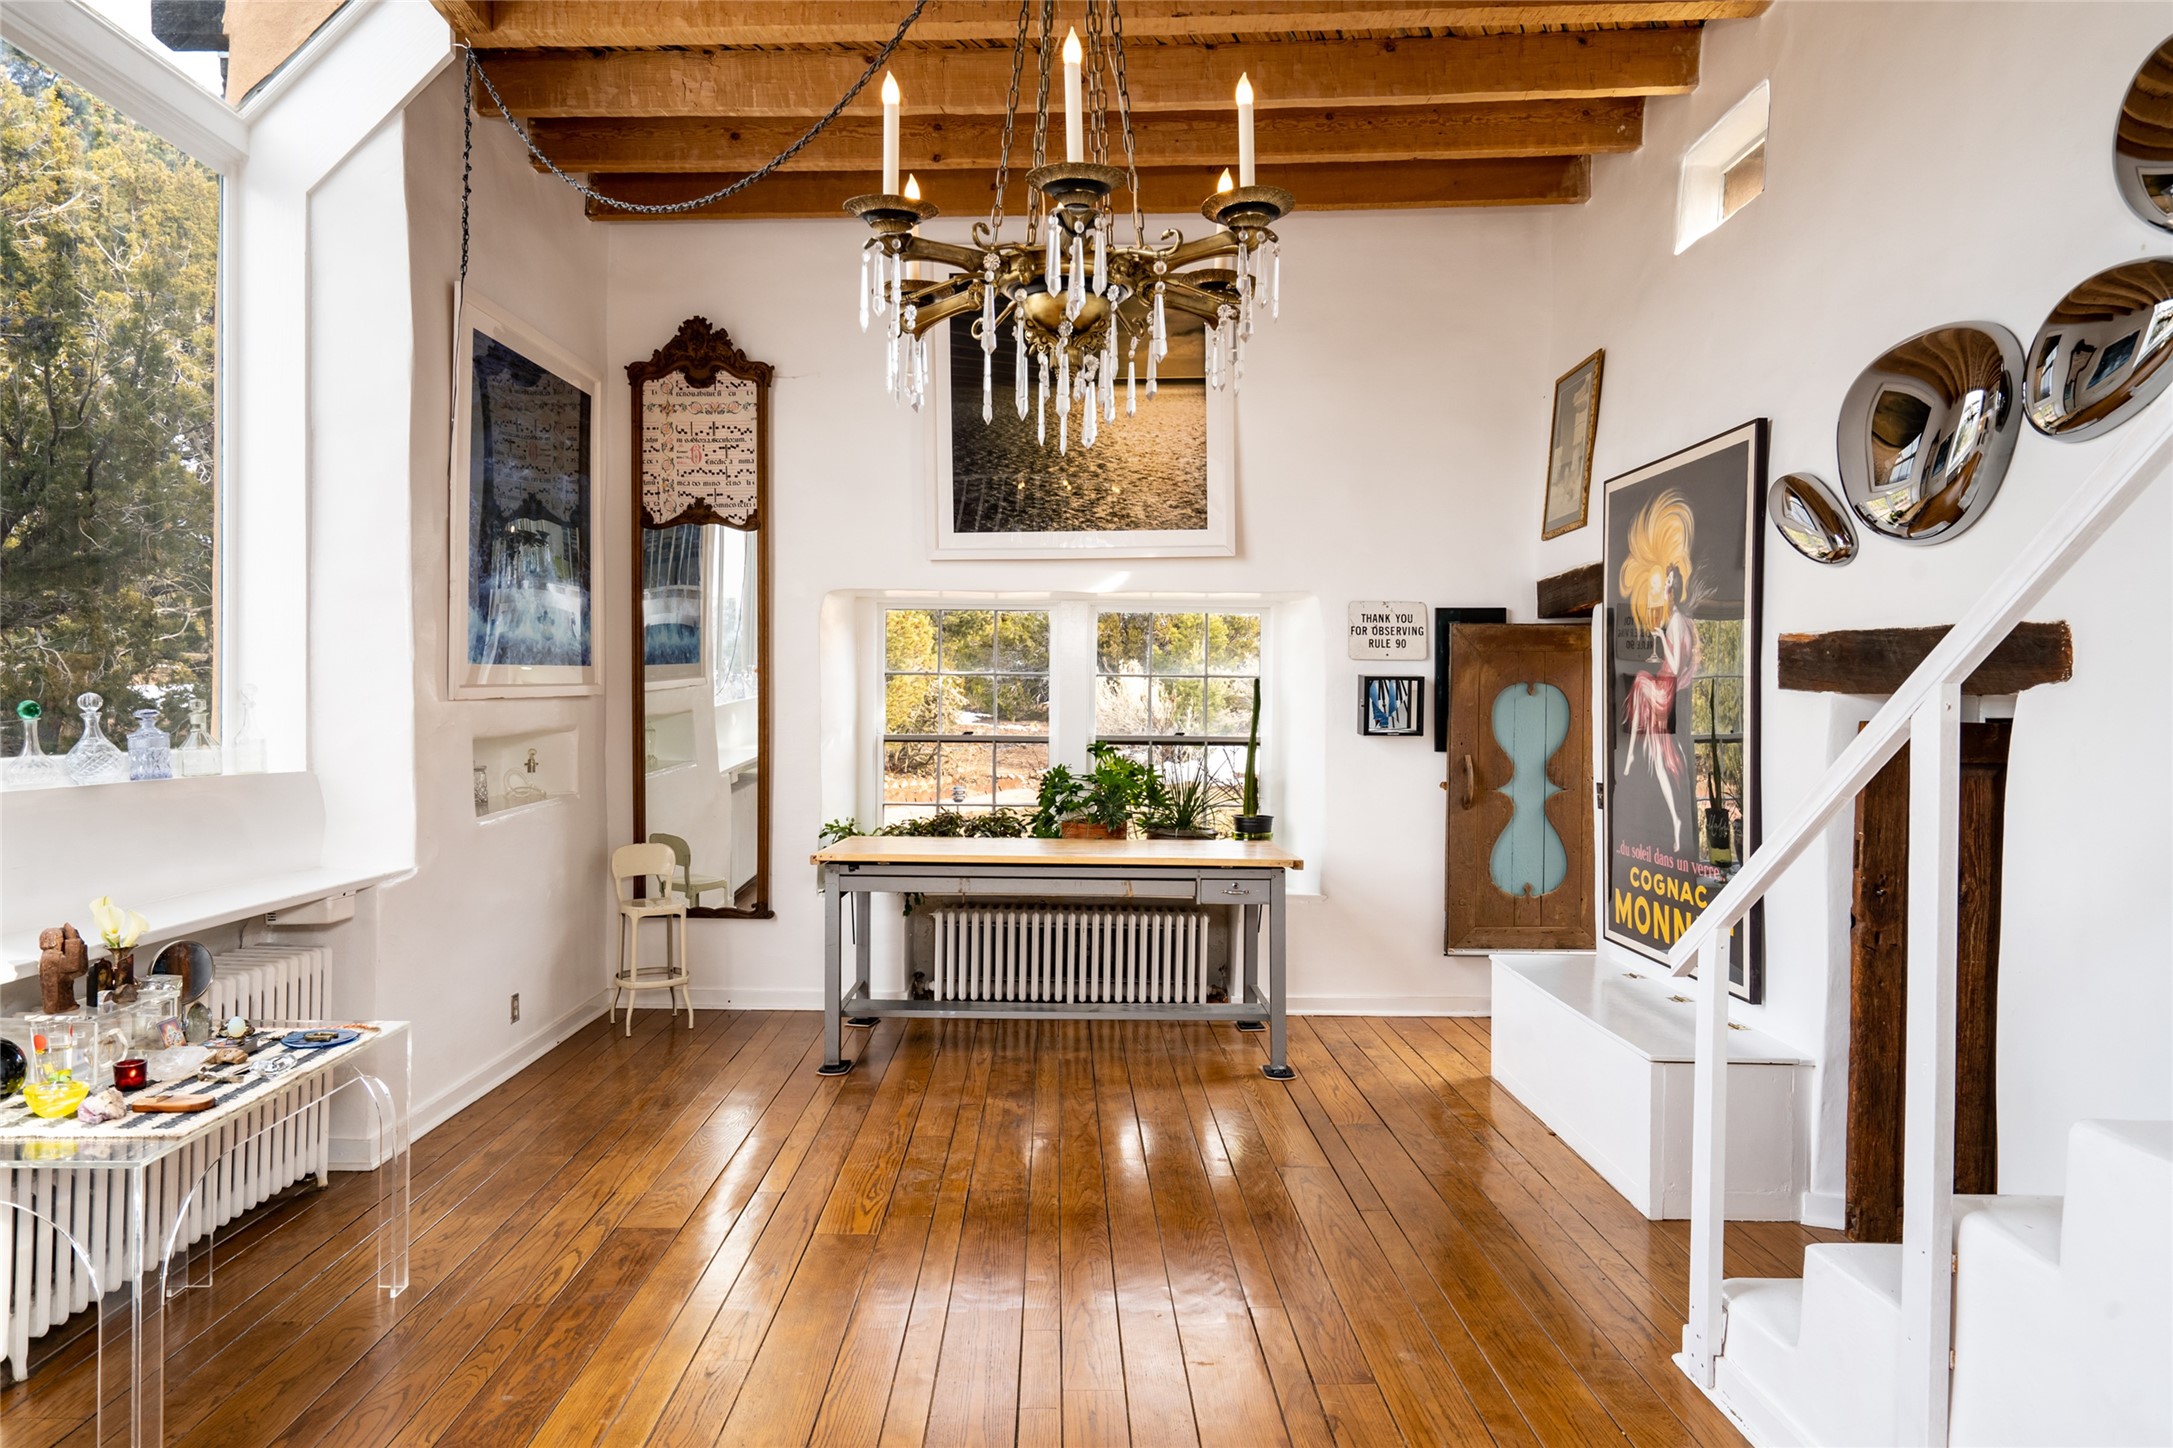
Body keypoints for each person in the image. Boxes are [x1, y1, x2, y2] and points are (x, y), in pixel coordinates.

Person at [1618, 490, 1699, 850]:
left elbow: (1675, 664)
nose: (1664, 589)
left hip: (1665, 687)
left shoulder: (1677, 621)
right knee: (1661, 756)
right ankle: (1677, 820)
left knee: (1639, 681)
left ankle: (1629, 754)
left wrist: (1660, 637)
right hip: (1665, 684)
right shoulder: (1678, 619)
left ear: (1673, 589)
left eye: (1667, 584)